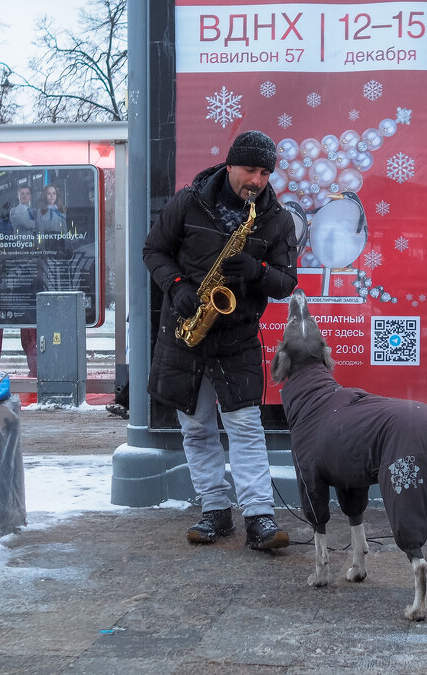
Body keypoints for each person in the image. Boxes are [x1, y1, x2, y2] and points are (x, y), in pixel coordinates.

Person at [143, 129, 298, 550]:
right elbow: (154, 250)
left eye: (266, 173)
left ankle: (259, 516)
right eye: (251, 170)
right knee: (195, 428)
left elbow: (286, 283)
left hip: (237, 336)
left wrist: (257, 271)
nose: (258, 181)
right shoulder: (188, 201)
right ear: (230, 165)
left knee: (246, 426)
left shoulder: (277, 219)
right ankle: (214, 510)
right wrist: (176, 286)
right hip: (186, 331)